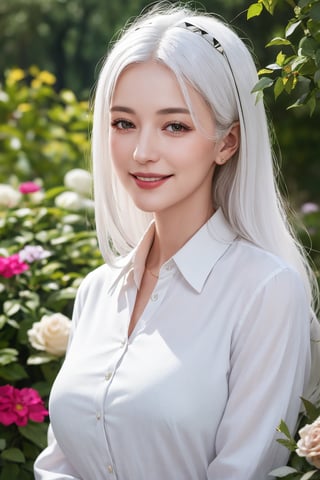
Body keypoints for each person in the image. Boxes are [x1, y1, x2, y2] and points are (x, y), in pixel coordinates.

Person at [34, 3, 320, 479]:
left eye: (175, 126)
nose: (143, 152)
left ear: (228, 142)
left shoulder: (266, 291)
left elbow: (243, 471)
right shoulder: (97, 292)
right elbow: (58, 464)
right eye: (124, 123)